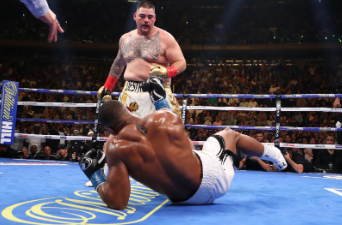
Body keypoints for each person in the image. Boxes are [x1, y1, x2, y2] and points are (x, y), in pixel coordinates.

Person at [79, 77, 287, 210]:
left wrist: (95, 175)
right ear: (129, 111)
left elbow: (118, 202)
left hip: (183, 201)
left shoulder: (115, 149)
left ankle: (273, 155)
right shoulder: (163, 119)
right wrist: (159, 97)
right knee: (229, 135)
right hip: (214, 178)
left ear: (111, 130)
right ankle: (274, 154)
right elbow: (178, 132)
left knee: (203, 148)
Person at [97, 1, 186, 118]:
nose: (146, 20)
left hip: (156, 91)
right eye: (142, 16)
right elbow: (119, 63)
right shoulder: (125, 38)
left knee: (160, 133)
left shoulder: (166, 38)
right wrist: (108, 86)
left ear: (154, 18)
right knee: (124, 132)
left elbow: (181, 63)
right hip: (129, 91)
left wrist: (167, 72)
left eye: (150, 17)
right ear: (135, 16)